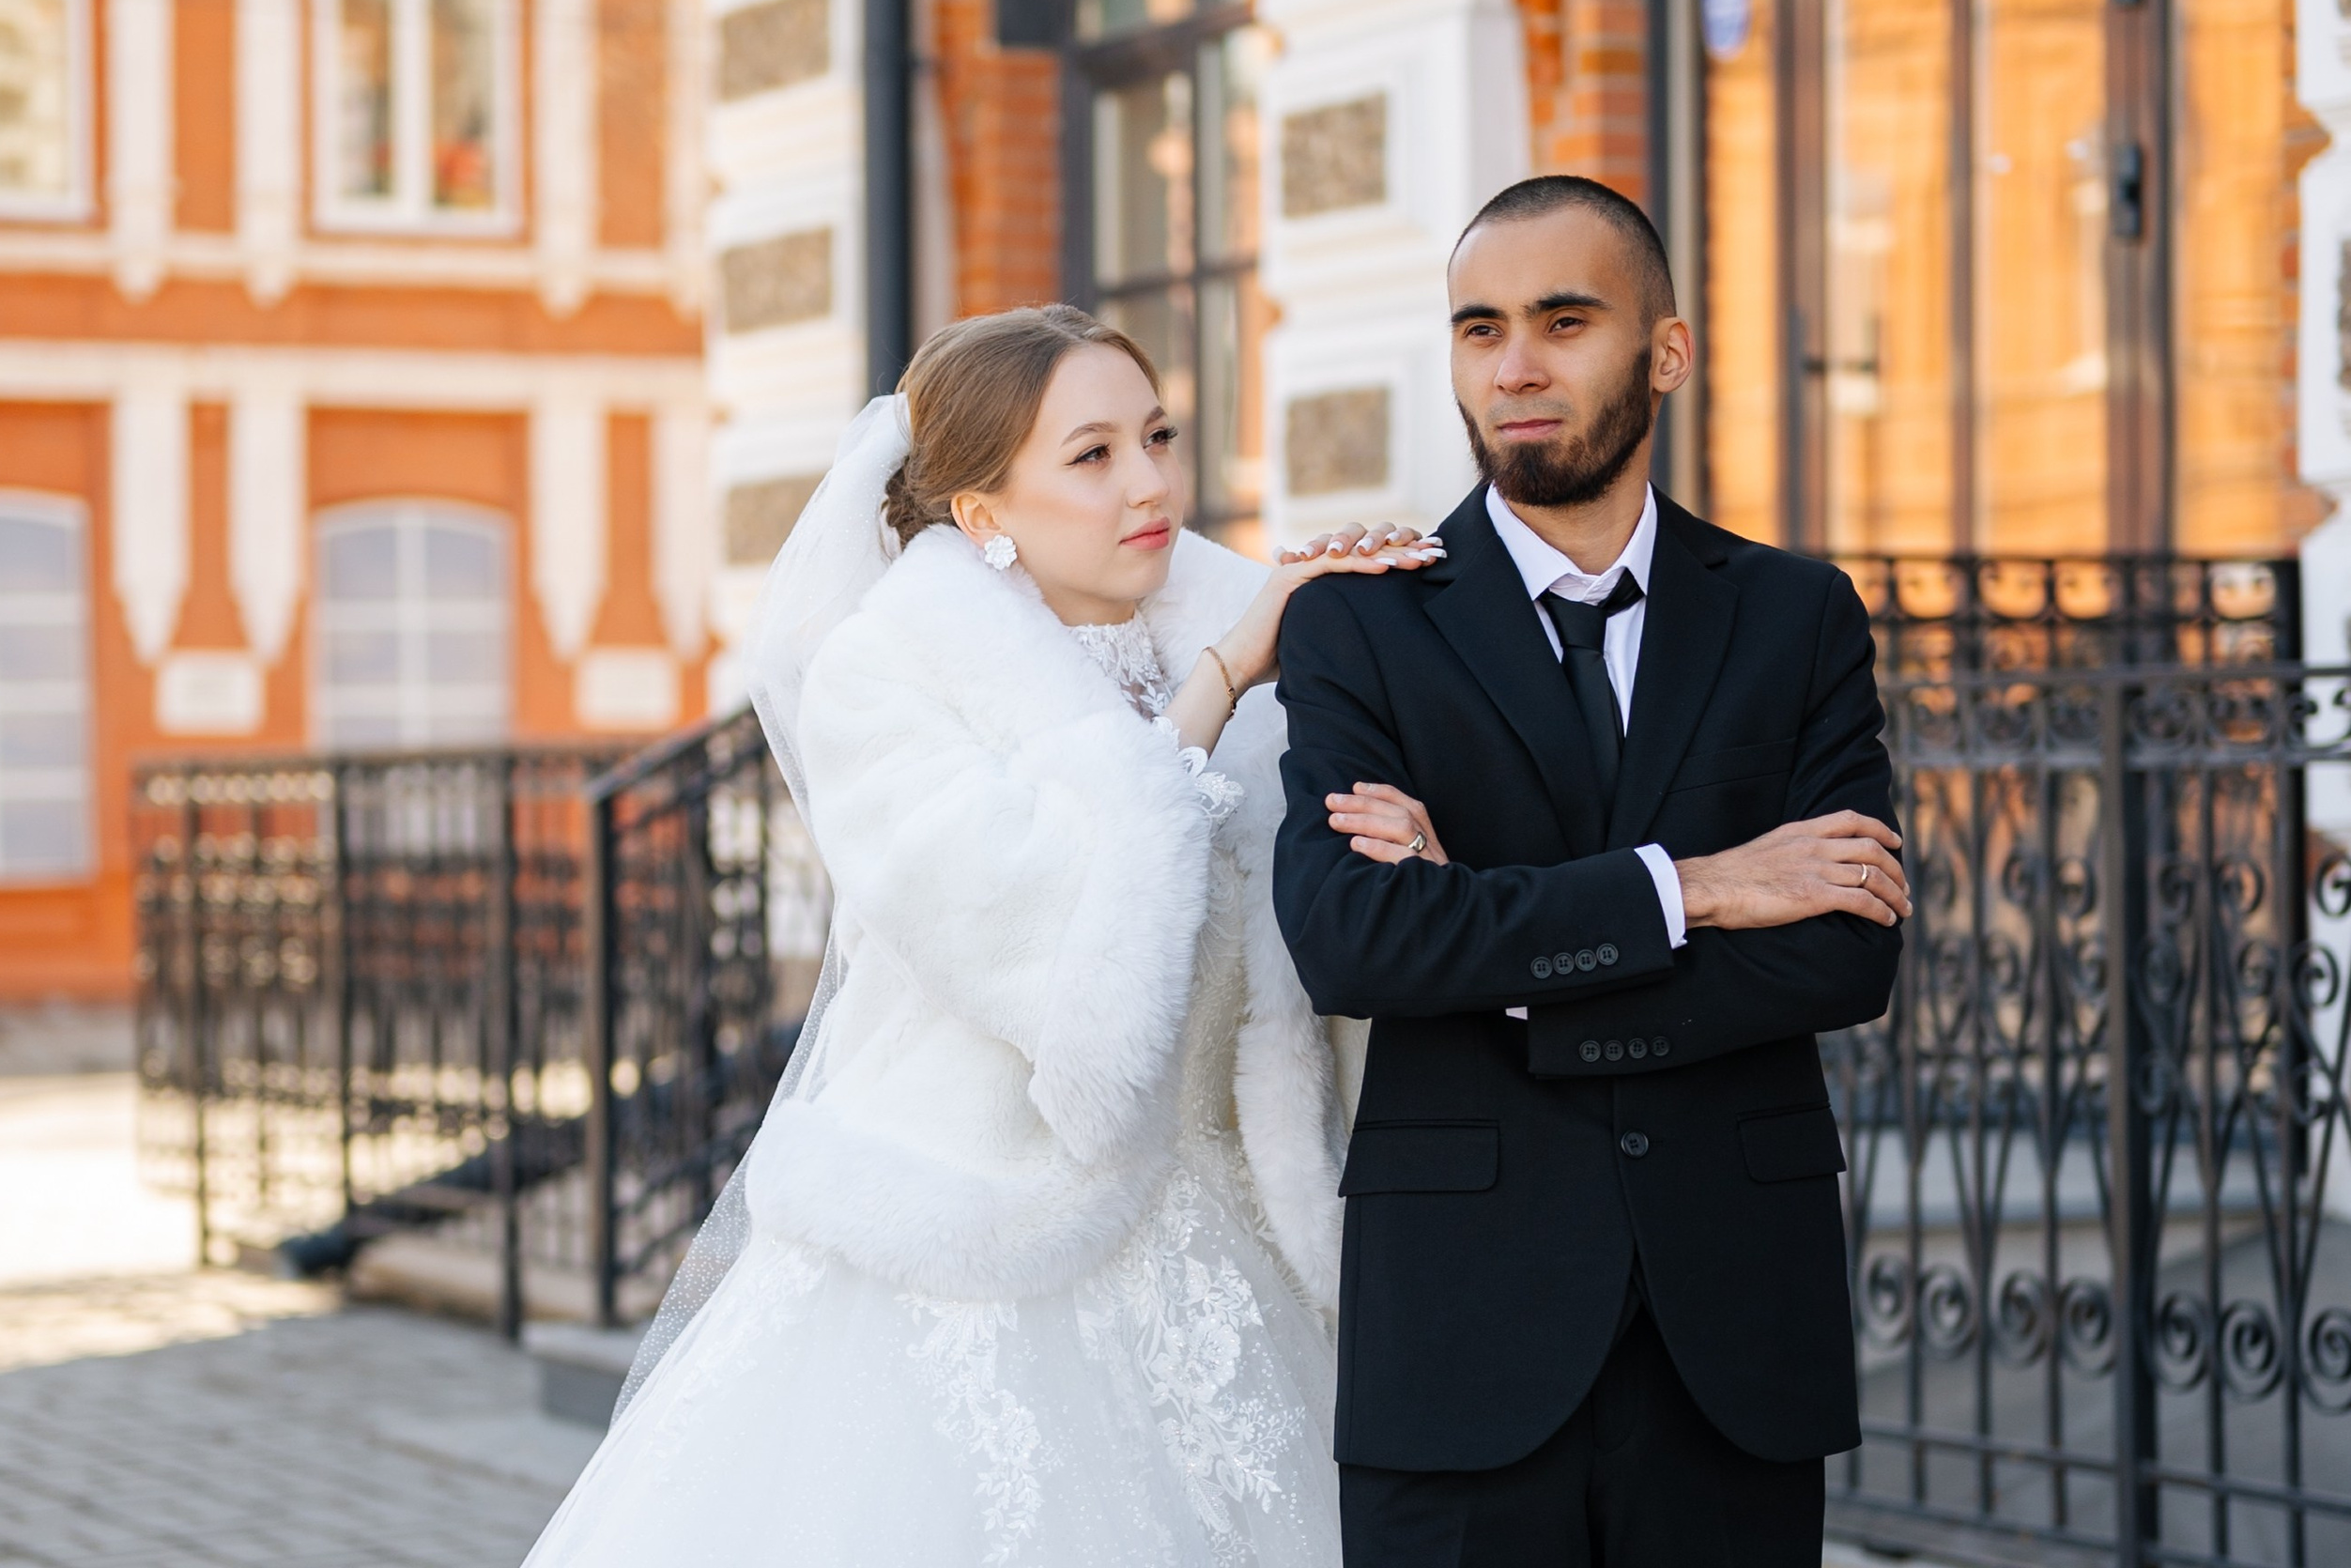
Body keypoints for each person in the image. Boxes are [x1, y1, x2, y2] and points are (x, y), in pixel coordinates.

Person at [520, 304, 1439, 1567]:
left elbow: (1311, 941)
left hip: (1231, 1249)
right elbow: (1061, 937)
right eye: (1094, 454)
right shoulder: (887, 679)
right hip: (980, 1240)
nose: (1153, 483)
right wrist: (1225, 676)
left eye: (1158, 435)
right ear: (985, 515)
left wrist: (1408, 814)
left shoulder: (1237, 634)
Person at [1270, 175, 1913, 1567]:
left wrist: (1496, 954)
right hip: (1459, 1337)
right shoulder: (1356, 625)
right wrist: (1704, 887)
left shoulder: (1797, 616)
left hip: (1732, 1337)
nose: (1514, 366)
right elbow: (1358, 939)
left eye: (1563, 321)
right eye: (1479, 327)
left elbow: (1848, 946)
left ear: (1665, 353)